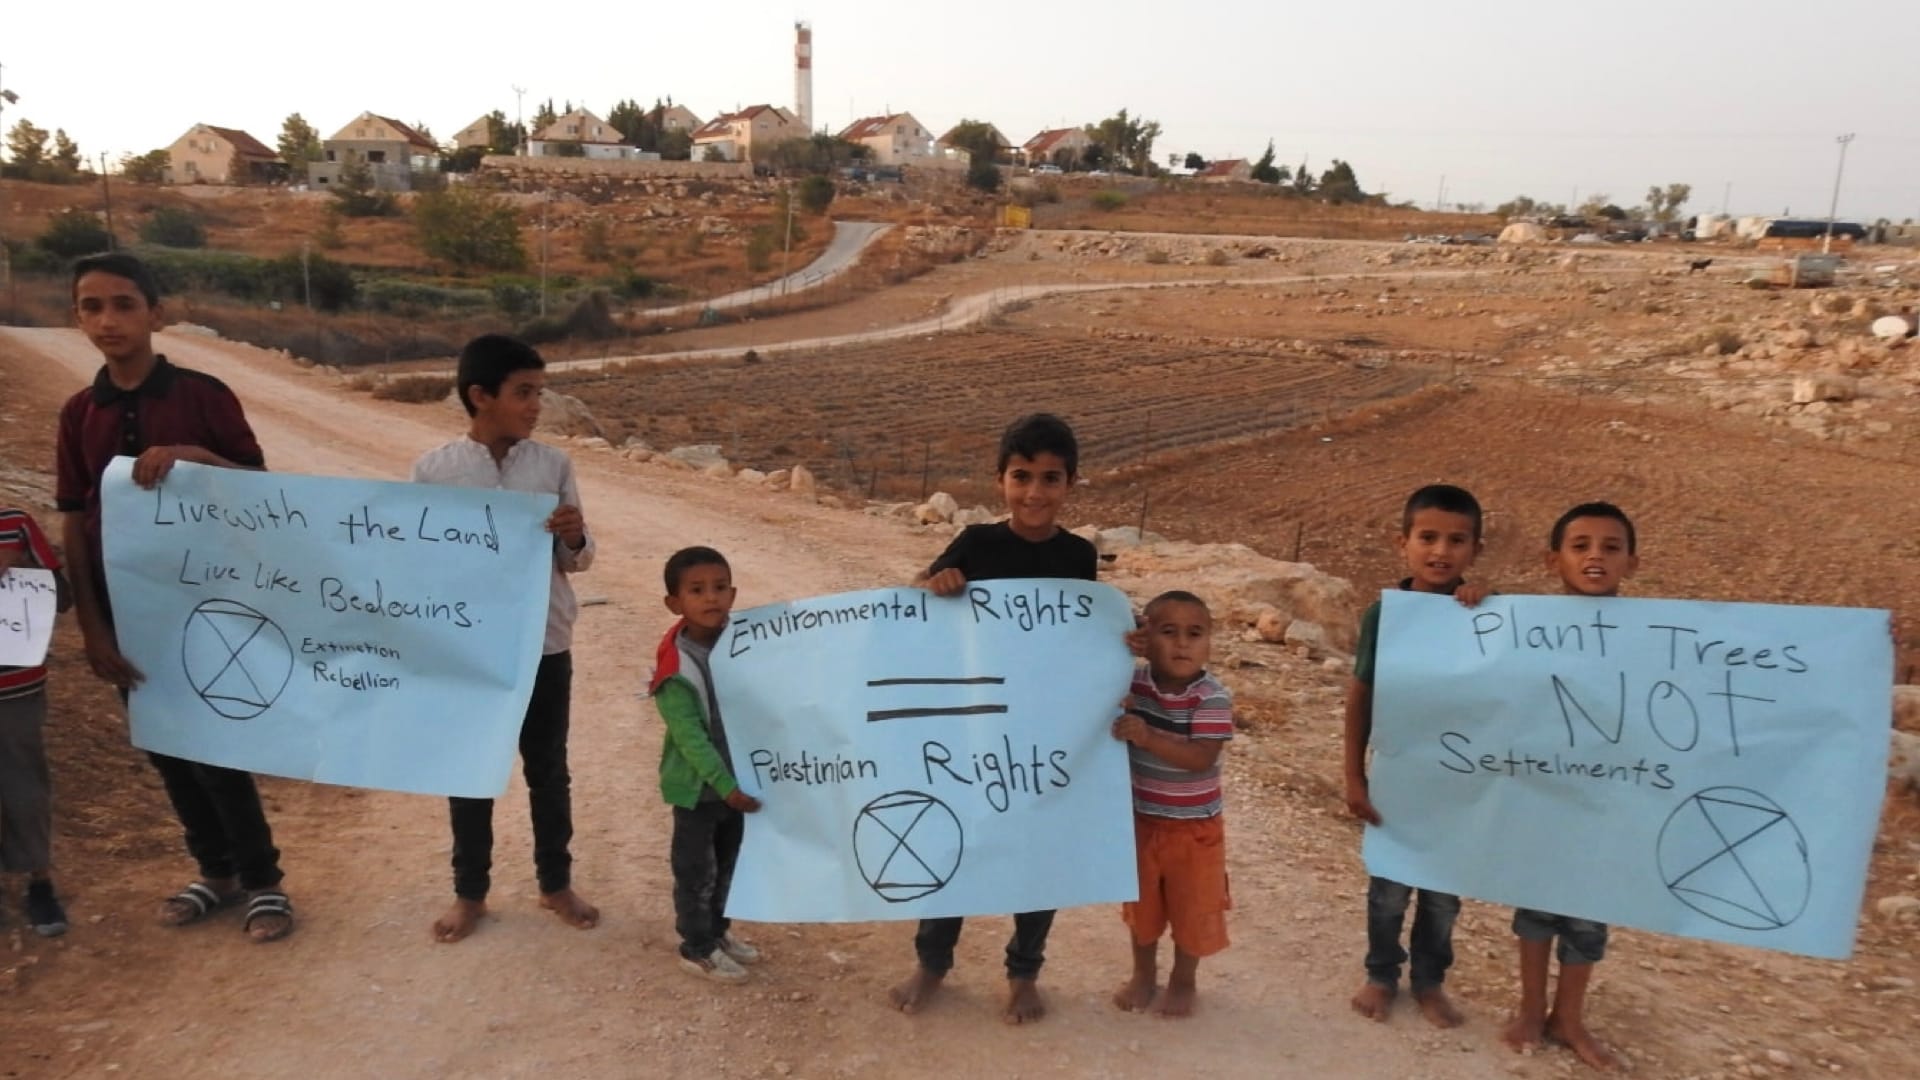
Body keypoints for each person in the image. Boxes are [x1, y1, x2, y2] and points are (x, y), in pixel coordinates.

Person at [55, 252, 295, 943]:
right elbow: (74, 516)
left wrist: (199, 457)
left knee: (214, 746)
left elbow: (260, 484)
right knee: (164, 747)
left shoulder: (203, 395)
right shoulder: (79, 415)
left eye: (124, 304)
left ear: (155, 314)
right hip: (125, 617)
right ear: (77, 318)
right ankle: (214, 873)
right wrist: (93, 631)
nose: (108, 319)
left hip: (203, 608)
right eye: (90, 306)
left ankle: (263, 881)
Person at [888, 412, 1098, 1025]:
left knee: (1039, 854)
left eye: (1050, 479)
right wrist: (936, 581)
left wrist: (1126, 644)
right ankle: (932, 963)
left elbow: (1083, 634)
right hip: (971, 730)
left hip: (1043, 734)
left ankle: (1024, 972)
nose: (1034, 492)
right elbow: (916, 598)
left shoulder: (1080, 556)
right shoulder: (977, 544)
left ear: (1071, 483)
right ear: (999, 479)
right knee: (955, 844)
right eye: (1021, 476)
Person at [412, 334, 598, 943]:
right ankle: (471, 894)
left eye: (539, 393)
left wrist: (571, 535)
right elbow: (415, 561)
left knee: (549, 771)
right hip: (471, 651)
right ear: (479, 396)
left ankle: (555, 883)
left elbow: (580, 562)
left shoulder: (552, 467)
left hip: (543, 646)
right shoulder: (435, 473)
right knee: (471, 773)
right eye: (524, 393)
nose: (536, 405)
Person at [1343, 483, 1488, 1026]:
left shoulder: (1485, 615)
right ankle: (1382, 973)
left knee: (1444, 895)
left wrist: (1487, 599)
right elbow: (1362, 697)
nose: (1441, 551)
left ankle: (1430, 981)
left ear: (1475, 550)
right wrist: (1353, 776)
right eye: (1428, 537)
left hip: (1461, 786)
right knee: (1388, 890)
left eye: (1457, 540)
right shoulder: (1384, 618)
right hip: (1399, 779)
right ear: (1402, 542)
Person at [1500, 502, 1638, 1071]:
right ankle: (1532, 1008)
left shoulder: (1657, 634)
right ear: (1553, 558)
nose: (1595, 557)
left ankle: (1570, 1017)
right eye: (1580, 546)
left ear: (1633, 562)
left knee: (1590, 910)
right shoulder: (1525, 623)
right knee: (1536, 904)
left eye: (1610, 547)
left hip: (1609, 801)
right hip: (1544, 796)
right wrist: (1470, 603)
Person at [1110, 590, 1234, 1018]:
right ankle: (1143, 975)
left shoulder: (1211, 697)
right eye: (1168, 632)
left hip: (1194, 831)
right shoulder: (1132, 683)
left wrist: (1146, 736)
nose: (1183, 644)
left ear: (1210, 642)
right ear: (1147, 639)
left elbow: (1201, 758)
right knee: (1141, 909)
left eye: (1195, 633)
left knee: (1192, 909)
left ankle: (1184, 980)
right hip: (1141, 823)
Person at [650, 545, 763, 982]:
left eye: (719, 588)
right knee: (696, 871)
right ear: (674, 604)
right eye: (697, 590)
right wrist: (724, 784)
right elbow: (690, 738)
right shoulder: (676, 667)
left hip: (739, 786)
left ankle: (719, 932)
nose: (710, 598)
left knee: (730, 864)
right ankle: (696, 945)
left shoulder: (744, 643)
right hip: (700, 790)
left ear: (733, 595)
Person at [0, 507, 73, 937]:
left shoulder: (15, 524)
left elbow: (62, 598)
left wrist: (25, 568)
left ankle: (39, 883)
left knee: (25, 785)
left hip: (17, 687)